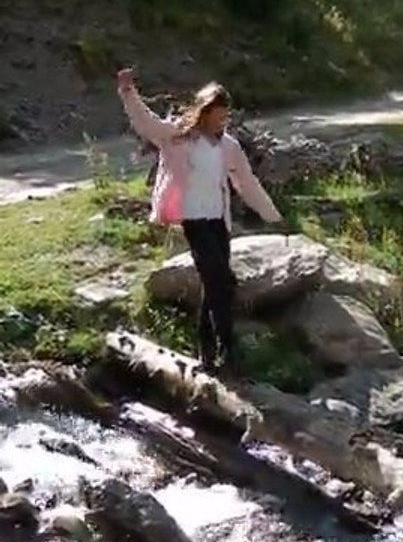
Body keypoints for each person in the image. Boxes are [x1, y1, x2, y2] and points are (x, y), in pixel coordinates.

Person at [116, 68, 284, 373]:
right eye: (218, 116)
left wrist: (272, 215)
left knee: (214, 285)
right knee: (221, 280)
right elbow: (146, 123)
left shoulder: (228, 146)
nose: (223, 122)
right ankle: (229, 353)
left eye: (226, 116)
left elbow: (246, 182)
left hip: (219, 221)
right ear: (204, 113)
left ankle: (206, 355)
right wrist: (128, 92)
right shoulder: (179, 137)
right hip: (194, 220)